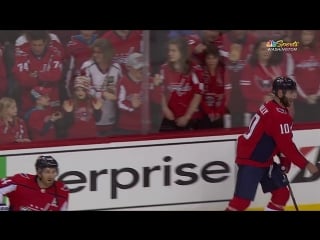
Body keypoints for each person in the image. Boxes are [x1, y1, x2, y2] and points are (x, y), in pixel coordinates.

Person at [226, 76, 319, 211]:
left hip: (264, 160)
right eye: (291, 92)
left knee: (281, 193)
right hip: (251, 161)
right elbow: (287, 146)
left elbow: (278, 140)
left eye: (294, 92)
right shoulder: (278, 115)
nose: (294, 96)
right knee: (241, 202)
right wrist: (307, 165)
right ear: (280, 93)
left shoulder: (273, 107)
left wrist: (284, 160)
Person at [0, 155, 69, 211]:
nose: (51, 175)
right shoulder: (21, 181)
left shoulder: (62, 191)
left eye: (54, 172)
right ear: (39, 172)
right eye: (47, 172)